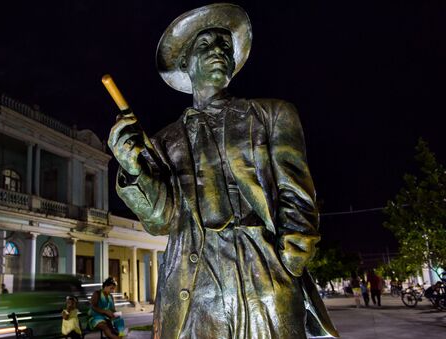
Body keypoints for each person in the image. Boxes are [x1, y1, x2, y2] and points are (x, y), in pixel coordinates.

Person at [108, 4, 337, 338]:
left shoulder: (273, 115)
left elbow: (297, 195)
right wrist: (133, 171)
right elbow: (162, 221)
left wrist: (288, 263)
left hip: (265, 273)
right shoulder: (164, 141)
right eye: (205, 45)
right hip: (194, 287)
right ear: (185, 63)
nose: (218, 50)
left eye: (225, 47)